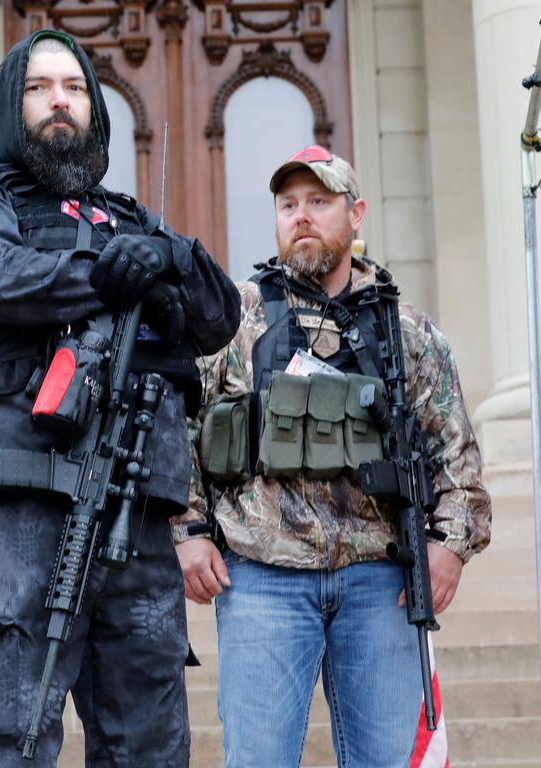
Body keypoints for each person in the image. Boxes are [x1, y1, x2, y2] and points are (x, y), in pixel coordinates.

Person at [0, 30, 240, 767]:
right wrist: (105, 270)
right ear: (10, 103)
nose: (60, 100)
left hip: (134, 506)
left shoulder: (131, 218)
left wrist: (167, 255)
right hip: (24, 498)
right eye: (38, 87)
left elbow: (217, 317)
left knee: (148, 739)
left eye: (74, 87)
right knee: (2, 727)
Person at [175, 145, 492, 766]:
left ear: (356, 215)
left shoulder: (408, 333)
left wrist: (449, 545)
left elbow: (455, 454)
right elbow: (179, 431)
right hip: (261, 577)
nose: (301, 216)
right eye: (288, 204)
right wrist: (187, 531)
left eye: (319, 202)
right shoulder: (234, 320)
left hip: (381, 581)